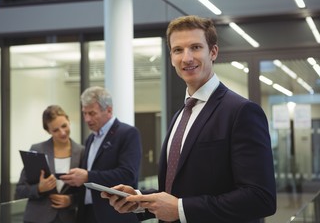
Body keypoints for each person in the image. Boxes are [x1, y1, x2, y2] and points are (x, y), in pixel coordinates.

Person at [101, 15, 277, 223]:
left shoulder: (242, 111)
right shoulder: (181, 115)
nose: (186, 58)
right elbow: (179, 188)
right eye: (178, 50)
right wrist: (139, 199)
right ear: (171, 57)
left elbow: (261, 198)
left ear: (213, 52)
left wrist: (181, 209)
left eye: (195, 47)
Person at [61, 86, 142, 223]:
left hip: (114, 214)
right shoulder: (90, 139)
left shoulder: (127, 133)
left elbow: (127, 175)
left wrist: (87, 176)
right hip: (87, 214)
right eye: (84, 113)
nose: (87, 119)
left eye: (92, 113)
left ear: (109, 110)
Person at [15, 105, 84, 223]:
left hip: (66, 218)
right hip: (37, 218)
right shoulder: (37, 150)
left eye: (64, 126)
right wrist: (39, 188)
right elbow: (20, 190)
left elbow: (85, 190)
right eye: (55, 130)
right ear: (48, 131)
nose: (62, 132)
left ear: (68, 121)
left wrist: (70, 200)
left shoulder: (82, 151)